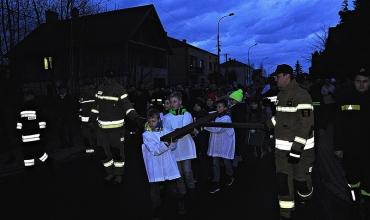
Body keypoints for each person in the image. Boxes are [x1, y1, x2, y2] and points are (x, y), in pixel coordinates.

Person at [266, 64, 315, 220]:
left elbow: (306, 124)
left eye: (277, 76)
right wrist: (267, 125)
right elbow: (280, 118)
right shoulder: (281, 95)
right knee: (283, 182)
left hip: (302, 151)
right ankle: (286, 213)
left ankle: (306, 199)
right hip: (281, 151)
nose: (275, 79)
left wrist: (297, 149)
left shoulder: (302, 96)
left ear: (286, 76)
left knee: (301, 182)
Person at [89, 69, 146, 185]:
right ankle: (110, 172)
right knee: (102, 152)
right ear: (105, 77)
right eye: (109, 78)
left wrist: (135, 117)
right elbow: (96, 105)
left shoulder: (120, 89)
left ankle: (119, 174)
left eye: (113, 78)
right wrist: (91, 119)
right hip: (101, 129)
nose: (111, 80)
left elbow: (127, 106)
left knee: (117, 152)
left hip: (117, 129)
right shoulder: (100, 88)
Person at [333, 68, 370, 219]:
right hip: (350, 150)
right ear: (353, 82)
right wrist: (337, 147)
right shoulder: (345, 99)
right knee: (353, 180)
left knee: (368, 182)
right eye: (358, 81)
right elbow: (338, 125)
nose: (361, 85)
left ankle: (367, 206)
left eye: (365, 81)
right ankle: (354, 203)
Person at [142, 108, 186, 218]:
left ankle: (180, 202)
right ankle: (156, 211)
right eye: (149, 121)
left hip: (167, 163)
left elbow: (172, 147)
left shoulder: (166, 130)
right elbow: (155, 150)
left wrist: (174, 141)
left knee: (172, 187)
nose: (151, 124)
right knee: (154, 192)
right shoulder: (146, 135)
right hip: (155, 165)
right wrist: (166, 143)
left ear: (159, 120)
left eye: (154, 121)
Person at [163, 92, 197, 199]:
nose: (173, 104)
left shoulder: (187, 115)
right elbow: (168, 131)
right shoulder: (167, 117)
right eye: (171, 102)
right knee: (179, 174)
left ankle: (191, 189)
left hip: (186, 147)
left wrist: (180, 132)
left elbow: (186, 128)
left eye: (175, 102)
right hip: (174, 150)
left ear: (180, 102)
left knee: (187, 172)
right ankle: (182, 192)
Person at [16, 88, 54, 171]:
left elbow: (42, 121)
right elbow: (19, 122)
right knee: (27, 152)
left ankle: (49, 161)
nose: (24, 97)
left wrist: (42, 133)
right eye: (24, 95)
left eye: (27, 95)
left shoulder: (37, 106)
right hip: (25, 135)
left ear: (32, 96)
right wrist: (18, 133)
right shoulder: (22, 107)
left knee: (36, 151)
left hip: (35, 134)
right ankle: (30, 168)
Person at [205, 99, 235, 194]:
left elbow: (218, 129)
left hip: (224, 143)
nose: (217, 109)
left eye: (220, 107)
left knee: (226, 161)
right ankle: (216, 181)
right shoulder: (216, 116)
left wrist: (207, 125)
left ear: (225, 108)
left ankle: (229, 175)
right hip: (216, 144)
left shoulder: (226, 118)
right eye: (217, 107)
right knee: (215, 164)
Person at [191, 97, 211, 187]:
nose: (196, 107)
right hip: (195, 138)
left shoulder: (206, 114)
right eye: (195, 106)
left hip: (203, 138)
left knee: (204, 156)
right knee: (194, 157)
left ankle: (206, 174)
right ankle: (195, 175)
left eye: (198, 106)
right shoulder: (192, 114)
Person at [228, 89, 248, 170]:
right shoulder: (241, 107)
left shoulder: (236, 109)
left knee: (237, 144)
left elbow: (235, 118)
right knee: (239, 144)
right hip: (240, 129)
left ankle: (236, 163)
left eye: (232, 99)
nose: (231, 101)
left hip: (237, 129)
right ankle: (240, 160)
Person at [245, 96, 267, 165]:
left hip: (258, 133)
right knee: (250, 148)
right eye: (252, 104)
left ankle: (258, 161)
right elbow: (247, 120)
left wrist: (256, 127)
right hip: (251, 132)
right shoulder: (250, 112)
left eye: (255, 104)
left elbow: (263, 121)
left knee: (258, 147)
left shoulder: (261, 112)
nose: (253, 105)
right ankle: (251, 161)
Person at [78, 80, 97, 159]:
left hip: (94, 122)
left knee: (96, 138)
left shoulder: (94, 95)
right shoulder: (81, 96)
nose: (83, 88)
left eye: (84, 86)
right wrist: (80, 120)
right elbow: (80, 109)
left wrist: (93, 120)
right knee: (86, 139)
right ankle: (90, 154)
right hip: (84, 123)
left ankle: (99, 153)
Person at [56, 84, 74, 148]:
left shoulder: (69, 96)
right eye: (59, 89)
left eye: (61, 89)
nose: (60, 90)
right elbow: (57, 107)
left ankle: (70, 142)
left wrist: (70, 114)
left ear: (65, 89)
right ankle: (64, 143)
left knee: (69, 129)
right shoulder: (58, 97)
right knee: (60, 130)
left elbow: (71, 106)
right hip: (61, 116)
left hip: (67, 115)